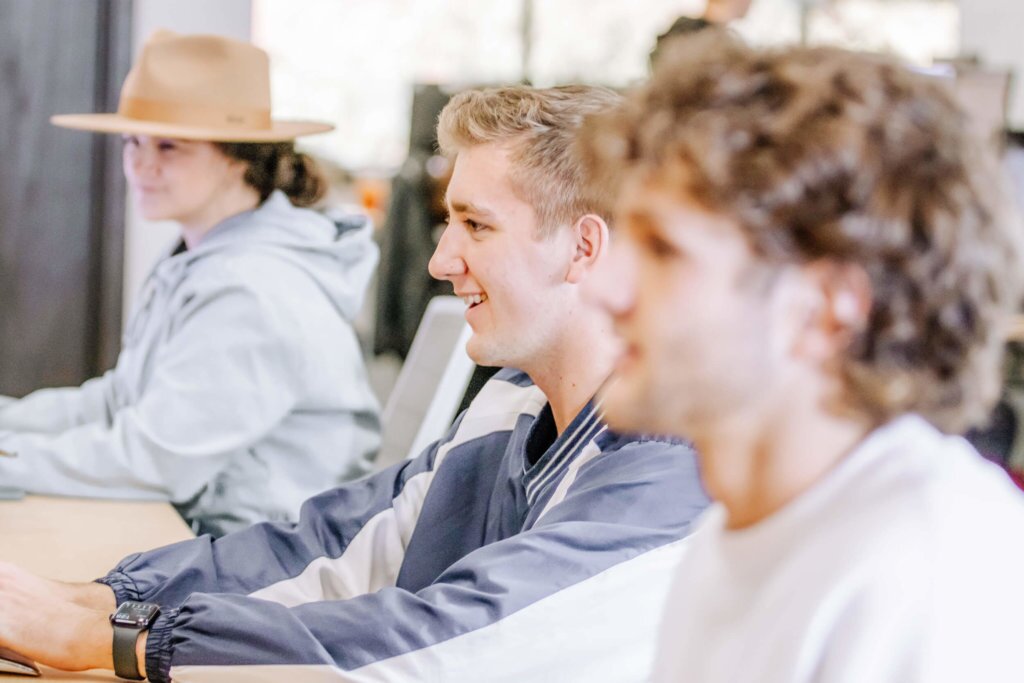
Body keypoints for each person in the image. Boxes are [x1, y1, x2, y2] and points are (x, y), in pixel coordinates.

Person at [0, 84, 707, 682]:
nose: (438, 260)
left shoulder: (672, 464)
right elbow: (331, 542)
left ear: (584, 247)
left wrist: (123, 637)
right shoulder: (514, 402)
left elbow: (451, 637)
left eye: (475, 225)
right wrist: (104, 600)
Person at [581, 31, 1024, 682]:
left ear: (827, 308)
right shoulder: (726, 543)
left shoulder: (925, 574)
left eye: (663, 249)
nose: (600, 287)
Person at [0, 31, 381, 536]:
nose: (141, 164)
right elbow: (123, 400)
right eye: (132, 141)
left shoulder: (251, 285)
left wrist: (10, 460)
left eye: (169, 146)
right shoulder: (208, 256)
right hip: (212, 530)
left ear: (239, 157)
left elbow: (156, 461)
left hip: (264, 556)